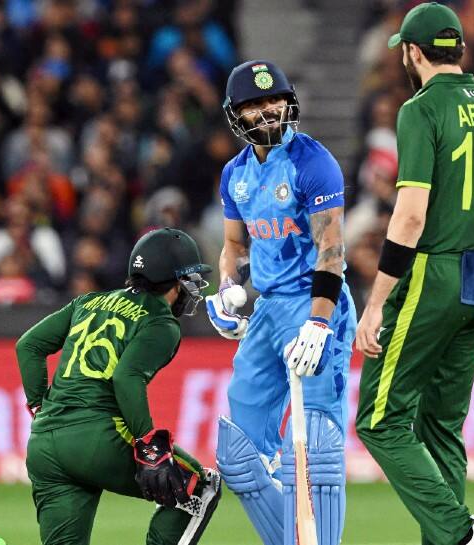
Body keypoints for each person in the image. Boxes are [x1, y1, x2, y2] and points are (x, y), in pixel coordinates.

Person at [353, 4, 474, 545]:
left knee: (379, 420)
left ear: (412, 51)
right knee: (441, 428)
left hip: (434, 272)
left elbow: (409, 216)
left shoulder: (420, 109)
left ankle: (459, 532)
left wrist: (378, 300)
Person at [206, 59, 356, 545]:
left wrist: (319, 324)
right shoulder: (235, 174)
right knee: (240, 454)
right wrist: (229, 291)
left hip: (316, 304)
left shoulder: (314, 163)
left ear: (289, 102)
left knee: (316, 447)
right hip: (269, 310)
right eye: (255, 105)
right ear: (238, 115)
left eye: (274, 100)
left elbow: (332, 253)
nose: (268, 112)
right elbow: (235, 247)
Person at [15, 228, 221, 545]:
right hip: (98, 438)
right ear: (173, 280)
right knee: (199, 487)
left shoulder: (88, 301)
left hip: (45, 443)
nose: (192, 288)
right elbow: (126, 377)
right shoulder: (161, 322)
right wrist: (148, 443)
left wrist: (39, 407)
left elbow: (28, 346)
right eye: (189, 278)